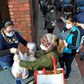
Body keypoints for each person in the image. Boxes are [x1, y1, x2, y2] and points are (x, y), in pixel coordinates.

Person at [59, 14, 81, 79]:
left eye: (68, 23)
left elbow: (76, 46)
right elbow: (61, 35)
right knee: (61, 61)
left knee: (68, 64)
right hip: (62, 49)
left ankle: (67, 74)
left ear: (73, 23)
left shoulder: (76, 32)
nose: (67, 24)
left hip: (70, 53)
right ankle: (62, 69)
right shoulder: (66, 28)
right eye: (66, 22)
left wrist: (67, 45)